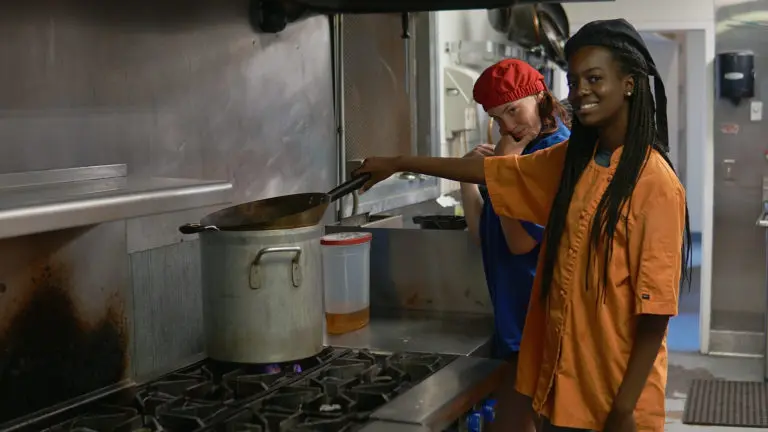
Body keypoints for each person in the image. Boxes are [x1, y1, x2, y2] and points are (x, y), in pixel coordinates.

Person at [353, 18, 692, 432]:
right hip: (557, 386)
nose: (581, 90)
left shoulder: (655, 183)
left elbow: (655, 311)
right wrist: (398, 163)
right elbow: (492, 175)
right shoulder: (573, 162)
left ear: (629, 83)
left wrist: (624, 409)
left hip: (612, 397)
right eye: (574, 79)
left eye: (595, 78)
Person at [461, 58, 570, 432]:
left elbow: (520, 242)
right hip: (513, 320)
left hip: (544, 326)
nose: (507, 126)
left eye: (512, 110)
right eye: (496, 117)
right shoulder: (516, 152)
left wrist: (504, 171)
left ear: (540, 96)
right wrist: (467, 180)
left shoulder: (552, 154)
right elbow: (483, 236)